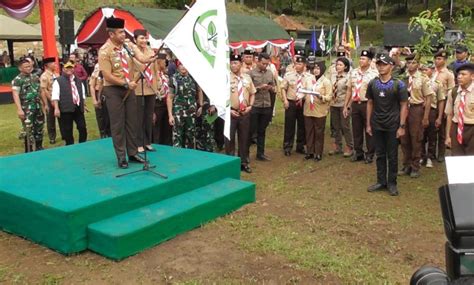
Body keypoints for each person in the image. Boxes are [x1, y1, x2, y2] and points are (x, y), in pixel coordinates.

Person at [98, 17, 145, 169]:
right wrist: (125, 83)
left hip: (129, 88)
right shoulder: (105, 51)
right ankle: (121, 156)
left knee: (132, 121)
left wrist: (152, 57)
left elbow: (141, 58)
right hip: (113, 90)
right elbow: (106, 74)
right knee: (118, 124)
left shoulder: (128, 46)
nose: (124, 35)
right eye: (120, 32)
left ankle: (132, 153)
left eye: (124, 32)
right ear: (111, 34)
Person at [366, 53, 409, 196]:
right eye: (379, 64)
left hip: (393, 125)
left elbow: (404, 105)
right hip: (377, 124)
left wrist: (402, 126)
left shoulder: (398, 84)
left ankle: (392, 183)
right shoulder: (373, 83)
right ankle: (381, 181)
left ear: (391, 66)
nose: (381, 67)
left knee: (392, 155)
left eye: (384, 64)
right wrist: (368, 124)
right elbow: (370, 103)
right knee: (380, 154)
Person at [398, 54, 434, 178]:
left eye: (413, 63)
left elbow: (428, 98)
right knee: (404, 138)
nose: (410, 65)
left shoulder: (423, 78)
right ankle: (406, 164)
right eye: (408, 63)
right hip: (404, 109)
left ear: (418, 65)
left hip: (416, 109)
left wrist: (425, 116)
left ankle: (415, 166)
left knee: (416, 138)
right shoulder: (403, 78)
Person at [343, 50, 378, 163]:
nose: (361, 60)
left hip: (367, 104)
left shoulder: (374, 74)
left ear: (369, 61)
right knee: (356, 129)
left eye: (364, 59)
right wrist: (346, 106)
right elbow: (349, 89)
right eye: (360, 58)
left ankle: (370, 153)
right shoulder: (353, 73)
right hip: (355, 104)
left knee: (369, 129)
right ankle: (358, 152)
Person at [225, 54, 256, 173]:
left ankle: (244, 162)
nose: (234, 65)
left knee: (244, 138)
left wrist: (250, 106)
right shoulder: (226, 78)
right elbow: (221, 97)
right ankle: (230, 163)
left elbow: (253, 92)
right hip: (231, 112)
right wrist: (229, 110)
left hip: (245, 112)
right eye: (232, 63)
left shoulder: (247, 78)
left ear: (241, 64)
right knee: (230, 138)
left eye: (236, 63)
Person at [131, 29, 158, 153]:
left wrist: (157, 86)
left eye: (145, 38)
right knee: (138, 117)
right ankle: (138, 142)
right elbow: (142, 60)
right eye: (141, 38)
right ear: (135, 39)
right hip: (138, 87)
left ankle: (147, 141)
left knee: (148, 116)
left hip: (150, 87)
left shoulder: (150, 50)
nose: (144, 40)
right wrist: (149, 58)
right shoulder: (132, 50)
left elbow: (155, 70)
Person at [12, 57, 46, 152]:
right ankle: (29, 149)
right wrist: (19, 109)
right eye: (26, 67)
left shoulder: (35, 77)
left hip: (38, 107)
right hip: (27, 109)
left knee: (39, 126)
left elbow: (40, 91)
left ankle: (39, 146)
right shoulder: (17, 79)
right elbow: (15, 94)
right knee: (28, 129)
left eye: (30, 66)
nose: (29, 68)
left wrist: (45, 104)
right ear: (20, 68)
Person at [52, 61, 88, 145]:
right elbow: (55, 95)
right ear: (63, 69)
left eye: (71, 68)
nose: (69, 70)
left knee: (82, 127)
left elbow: (82, 94)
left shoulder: (78, 80)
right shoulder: (58, 81)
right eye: (67, 68)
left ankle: (82, 144)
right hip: (66, 108)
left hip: (78, 107)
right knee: (67, 129)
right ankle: (70, 145)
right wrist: (56, 108)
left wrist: (84, 105)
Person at [167, 63, 203, 149]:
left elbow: (199, 91)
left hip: (191, 111)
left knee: (191, 136)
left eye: (186, 64)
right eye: (181, 65)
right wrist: (170, 115)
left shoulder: (194, 78)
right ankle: (177, 157)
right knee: (177, 136)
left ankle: (189, 158)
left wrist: (201, 105)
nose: (183, 67)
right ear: (178, 66)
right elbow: (170, 97)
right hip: (178, 110)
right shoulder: (174, 79)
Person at [281, 56, 310, 156]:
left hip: (303, 103)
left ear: (304, 65)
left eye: (300, 64)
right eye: (296, 64)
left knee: (302, 125)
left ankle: (300, 146)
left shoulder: (309, 77)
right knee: (289, 125)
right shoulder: (288, 75)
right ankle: (287, 146)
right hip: (291, 102)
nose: (297, 66)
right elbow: (283, 88)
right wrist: (285, 100)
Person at [304, 60, 332, 161]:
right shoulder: (308, 79)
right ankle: (309, 151)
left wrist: (321, 97)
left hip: (320, 110)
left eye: (318, 68)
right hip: (308, 109)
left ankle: (318, 152)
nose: (316, 71)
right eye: (314, 68)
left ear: (322, 70)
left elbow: (329, 96)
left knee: (319, 132)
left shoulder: (326, 82)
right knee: (309, 131)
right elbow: (304, 90)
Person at [420, 62, 446, 168]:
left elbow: (441, 101)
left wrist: (439, 117)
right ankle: (421, 155)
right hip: (420, 110)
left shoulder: (437, 83)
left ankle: (430, 156)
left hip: (432, 110)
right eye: (422, 70)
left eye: (426, 69)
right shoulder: (417, 82)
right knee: (420, 135)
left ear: (432, 70)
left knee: (432, 134)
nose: (424, 72)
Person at [249, 53, 274, 161]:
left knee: (262, 130)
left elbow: (273, 85)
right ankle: (245, 155)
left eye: (267, 64)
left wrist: (271, 88)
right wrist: (259, 88)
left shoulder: (269, 73)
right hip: (255, 105)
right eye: (263, 63)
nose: (265, 66)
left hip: (266, 104)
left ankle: (261, 153)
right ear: (258, 61)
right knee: (250, 131)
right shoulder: (250, 74)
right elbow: (248, 89)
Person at [445, 63, 474, 156]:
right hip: (456, 127)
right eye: (458, 74)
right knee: (457, 158)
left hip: (472, 128)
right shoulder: (453, 92)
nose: (459, 77)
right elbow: (449, 115)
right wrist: (448, 136)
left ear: (472, 76)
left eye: (463, 74)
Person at [433, 50, 456, 162]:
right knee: (431, 129)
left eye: (439, 59)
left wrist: (448, 108)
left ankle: (441, 153)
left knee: (442, 129)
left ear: (445, 60)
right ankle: (430, 153)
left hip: (444, 101)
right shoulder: (431, 72)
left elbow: (451, 92)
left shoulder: (448, 74)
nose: (437, 61)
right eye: (436, 59)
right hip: (432, 101)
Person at [329, 57, 353, 157]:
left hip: (343, 104)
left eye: (340, 65)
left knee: (345, 126)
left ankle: (349, 146)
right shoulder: (333, 76)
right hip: (333, 104)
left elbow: (350, 92)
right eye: (337, 64)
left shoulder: (348, 77)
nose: (337, 66)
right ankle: (338, 146)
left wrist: (347, 106)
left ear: (345, 67)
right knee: (336, 126)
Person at [153, 52, 173, 145]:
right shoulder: (152, 76)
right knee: (156, 131)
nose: (166, 63)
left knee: (166, 131)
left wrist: (170, 113)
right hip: (155, 105)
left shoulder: (165, 76)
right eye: (165, 61)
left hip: (165, 104)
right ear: (159, 61)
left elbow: (169, 94)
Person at [39, 57, 58, 144]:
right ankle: (52, 137)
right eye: (53, 63)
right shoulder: (44, 76)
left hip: (58, 97)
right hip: (50, 99)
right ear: (47, 65)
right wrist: (51, 100)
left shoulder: (56, 74)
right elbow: (44, 89)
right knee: (51, 119)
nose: (55, 64)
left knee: (62, 117)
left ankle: (65, 134)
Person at [89, 63, 110, 138]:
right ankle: (103, 133)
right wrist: (94, 99)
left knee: (109, 115)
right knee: (100, 115)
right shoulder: (98, 67)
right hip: (99, 93)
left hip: (110, 93)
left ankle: (110, 132)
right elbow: (92, 85)